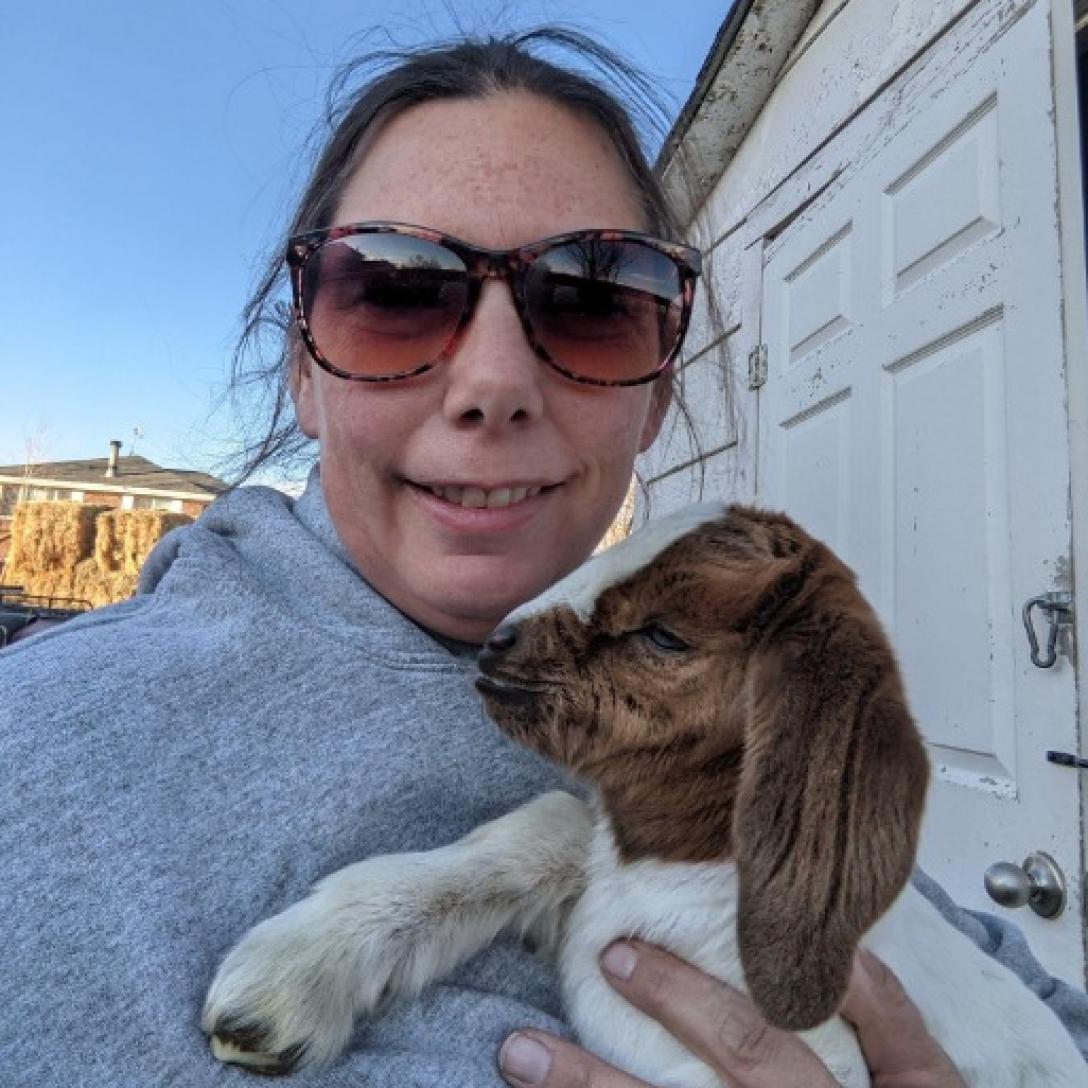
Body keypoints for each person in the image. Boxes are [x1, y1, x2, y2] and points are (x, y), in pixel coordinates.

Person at [1, 30, 1084, 1088]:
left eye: (592, 300)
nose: (493, 381)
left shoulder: (745, 707)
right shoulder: (45, 763)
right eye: (393, 288)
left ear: (657, 389)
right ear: (302, 368)